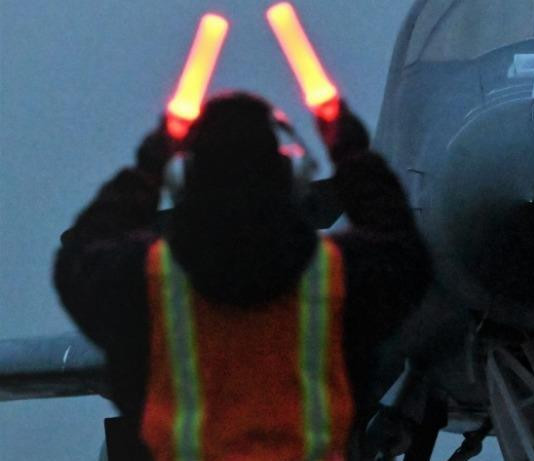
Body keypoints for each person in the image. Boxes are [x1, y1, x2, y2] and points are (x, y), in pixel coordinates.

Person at [55, 91, 432, 460]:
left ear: (184, 180)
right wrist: (352, 155)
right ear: (291, 176)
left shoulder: (143, 284)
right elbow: (403, 251)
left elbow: (78, 258)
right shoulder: (341, 280)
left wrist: (146, 170)